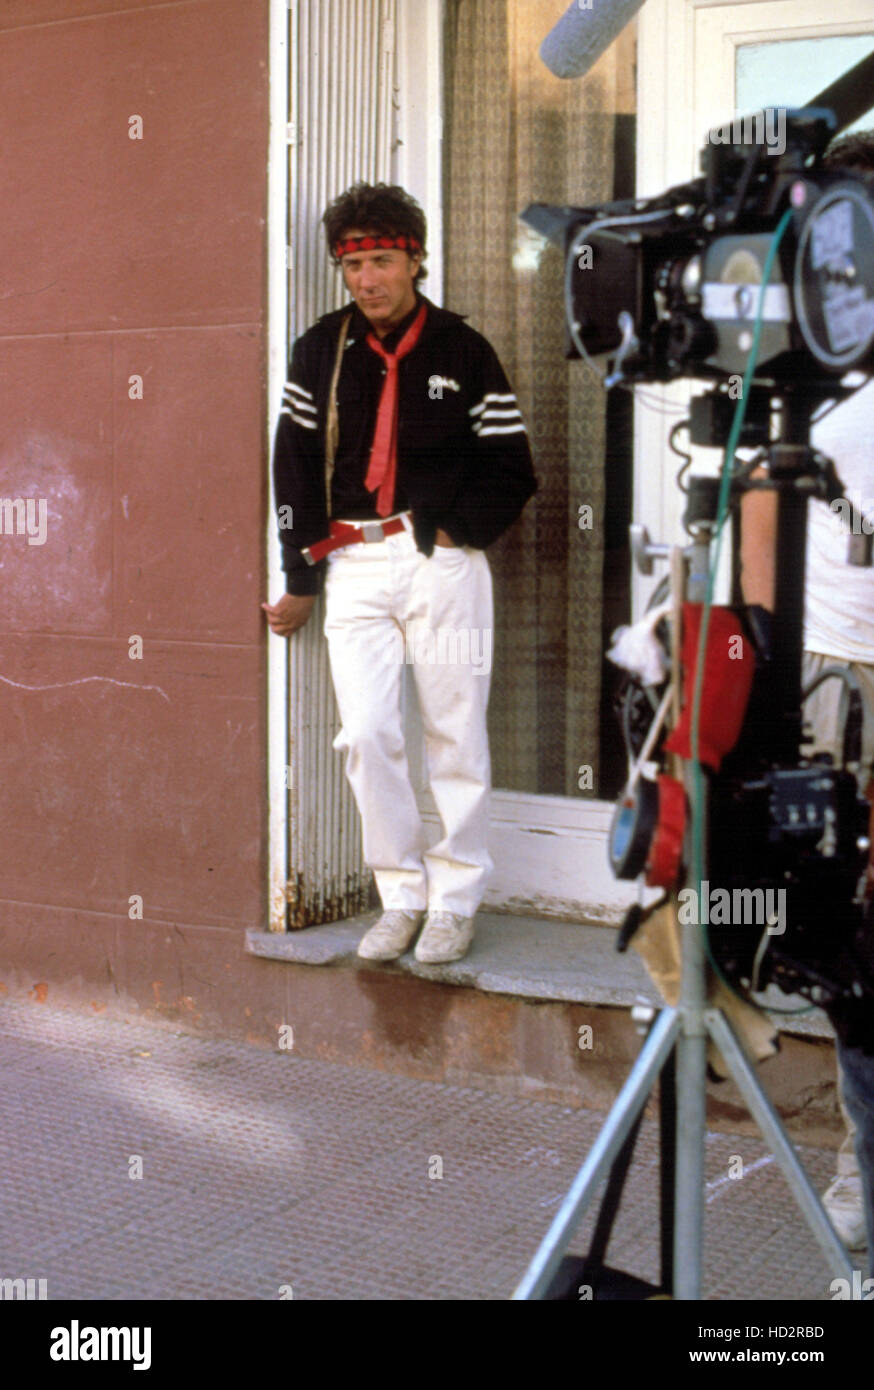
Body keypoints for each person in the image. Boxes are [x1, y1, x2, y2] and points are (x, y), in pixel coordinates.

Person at [263, 183, 536, 965]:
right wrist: (302, 577)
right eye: (352, 265)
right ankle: (400, 892)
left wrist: (455, 531)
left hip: (440, 564)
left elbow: (512, 467)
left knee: (454, 730)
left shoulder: (462, 349)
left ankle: (455, 899)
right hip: (352, 563)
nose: (366, 279)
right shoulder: (321, 349)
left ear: (415, 259)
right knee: (368, 735)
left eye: (381, 260)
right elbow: (292, 467)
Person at [741, 130, 874, 1259]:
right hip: (828, 679)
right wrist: (755, 671)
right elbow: (757, 524)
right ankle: (857, 1161)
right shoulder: (810, 359)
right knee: (844, 940)